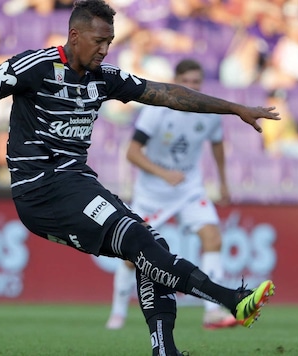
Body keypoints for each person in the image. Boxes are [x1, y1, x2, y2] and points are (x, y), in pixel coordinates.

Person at [0, 1, 279, 355]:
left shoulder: (104, 78)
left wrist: (234, 108)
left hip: (75, 183)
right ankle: (230, 300)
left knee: (150, 247)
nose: (105, 49)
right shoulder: (36, 66)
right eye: (99, 40)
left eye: (110, 41)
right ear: (74, 35)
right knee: (140, 242)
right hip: (41, 188)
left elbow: (167, 93)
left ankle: (165, 349)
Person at [105, 59, 237, 331]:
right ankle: (117, 313)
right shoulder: (157, 111)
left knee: (212, 237)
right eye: (186, 81)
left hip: (189, 189)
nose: (191, 87)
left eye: (196, 82)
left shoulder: (209, 113)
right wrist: (164, 174)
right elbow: (132, 153)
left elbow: (217, 146)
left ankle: (212, 312)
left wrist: (223, 182)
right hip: (153, 193)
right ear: (176, 81)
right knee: (133, 255)